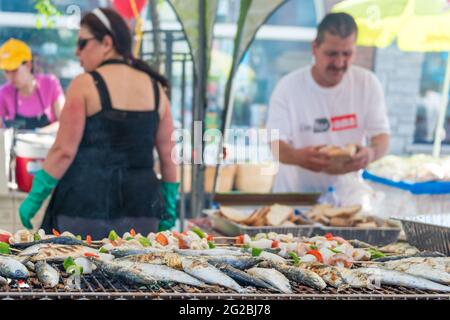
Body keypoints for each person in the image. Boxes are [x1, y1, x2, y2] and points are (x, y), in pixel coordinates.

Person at [18, 8, 178, 238]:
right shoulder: (155, 88)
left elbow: (63, 151)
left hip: (82, 213)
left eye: (82, 43)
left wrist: (35, 197)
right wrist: (169, 206)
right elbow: (169, 157)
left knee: (74, 272)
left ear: (106, 42)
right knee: (135, 269)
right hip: (143, 213)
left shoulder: (84, 85)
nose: (76, 52)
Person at [266, 13, 390, 193]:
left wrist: (370, 153)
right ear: (314, 48)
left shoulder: (367, 83)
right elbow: (274, 145)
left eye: (346, 54)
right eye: (332, 54)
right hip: (294, 198)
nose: (339, 63)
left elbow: (382, 137)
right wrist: (297, 156)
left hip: (348, 198)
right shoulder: (288, 87)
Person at [0, 38, 64, 131]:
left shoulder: (50, 84)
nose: (10, 77)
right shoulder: (3, 93)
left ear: (28, 65)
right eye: (6, 71)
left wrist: (38, 134)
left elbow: (65, 122)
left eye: (14, 70)